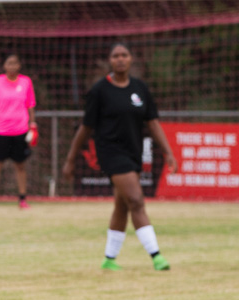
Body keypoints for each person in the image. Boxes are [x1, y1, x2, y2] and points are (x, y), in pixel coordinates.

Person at [62, 43, 177, 271]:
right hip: (111, 153)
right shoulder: (99, 91)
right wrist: (71, 158)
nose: (120, 59)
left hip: (133, 152)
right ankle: (156, 256)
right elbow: (86, 128)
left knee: (122, 205)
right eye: (116, 56)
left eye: (124, 55)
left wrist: (168, 152)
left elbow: (152, 122)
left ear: (131, 59)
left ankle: (109, 259)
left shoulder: (140, 88)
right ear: (110, 61)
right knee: (136, 199)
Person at [0, 53, 38, 210]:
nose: (12, 66)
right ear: (4, 66)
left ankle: (22, 199)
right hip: (0, 131)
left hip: (20, 130)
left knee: (20, 165)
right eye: (9, 63)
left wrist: (33, 125)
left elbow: (30, 104)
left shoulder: (26, 82)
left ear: (19, 65)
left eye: (15, 63)